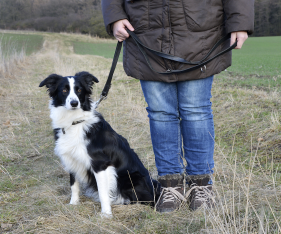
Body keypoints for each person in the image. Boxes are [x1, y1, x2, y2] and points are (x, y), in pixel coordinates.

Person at [101, 0, 254, 212]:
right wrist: (115, 16)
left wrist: (240, 21)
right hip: (146, 33)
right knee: (160, 114)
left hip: (201, 31)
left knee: (196, 111)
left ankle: (201, 186)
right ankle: (170, 187)